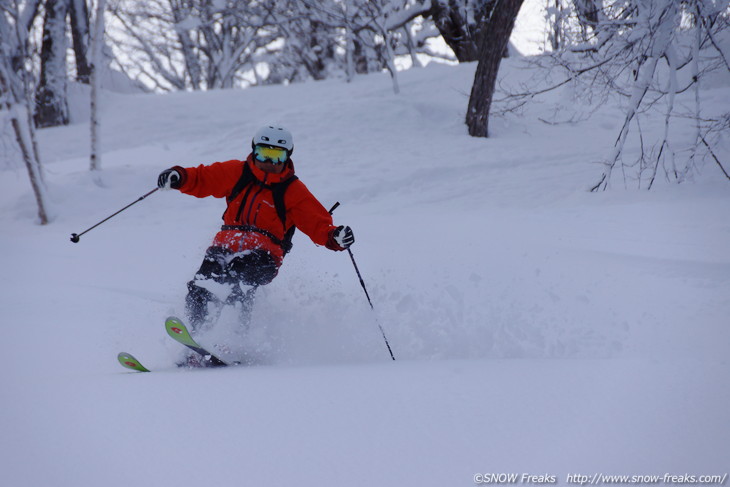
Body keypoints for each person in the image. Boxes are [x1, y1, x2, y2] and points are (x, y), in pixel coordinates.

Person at [157, 124, 354, 346]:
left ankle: (234, 340)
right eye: (263, 153)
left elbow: (316, 221)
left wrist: (334, 237)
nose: (269, 162)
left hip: (265, 255)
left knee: (238, 277)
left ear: (287, 156)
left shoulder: (292, 190)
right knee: (203, 283)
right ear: (253, 150)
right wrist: (180, 176)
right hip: (225, 245)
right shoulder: (236, 173)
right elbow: (204, 178)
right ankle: (196, 335)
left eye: (276, 156)